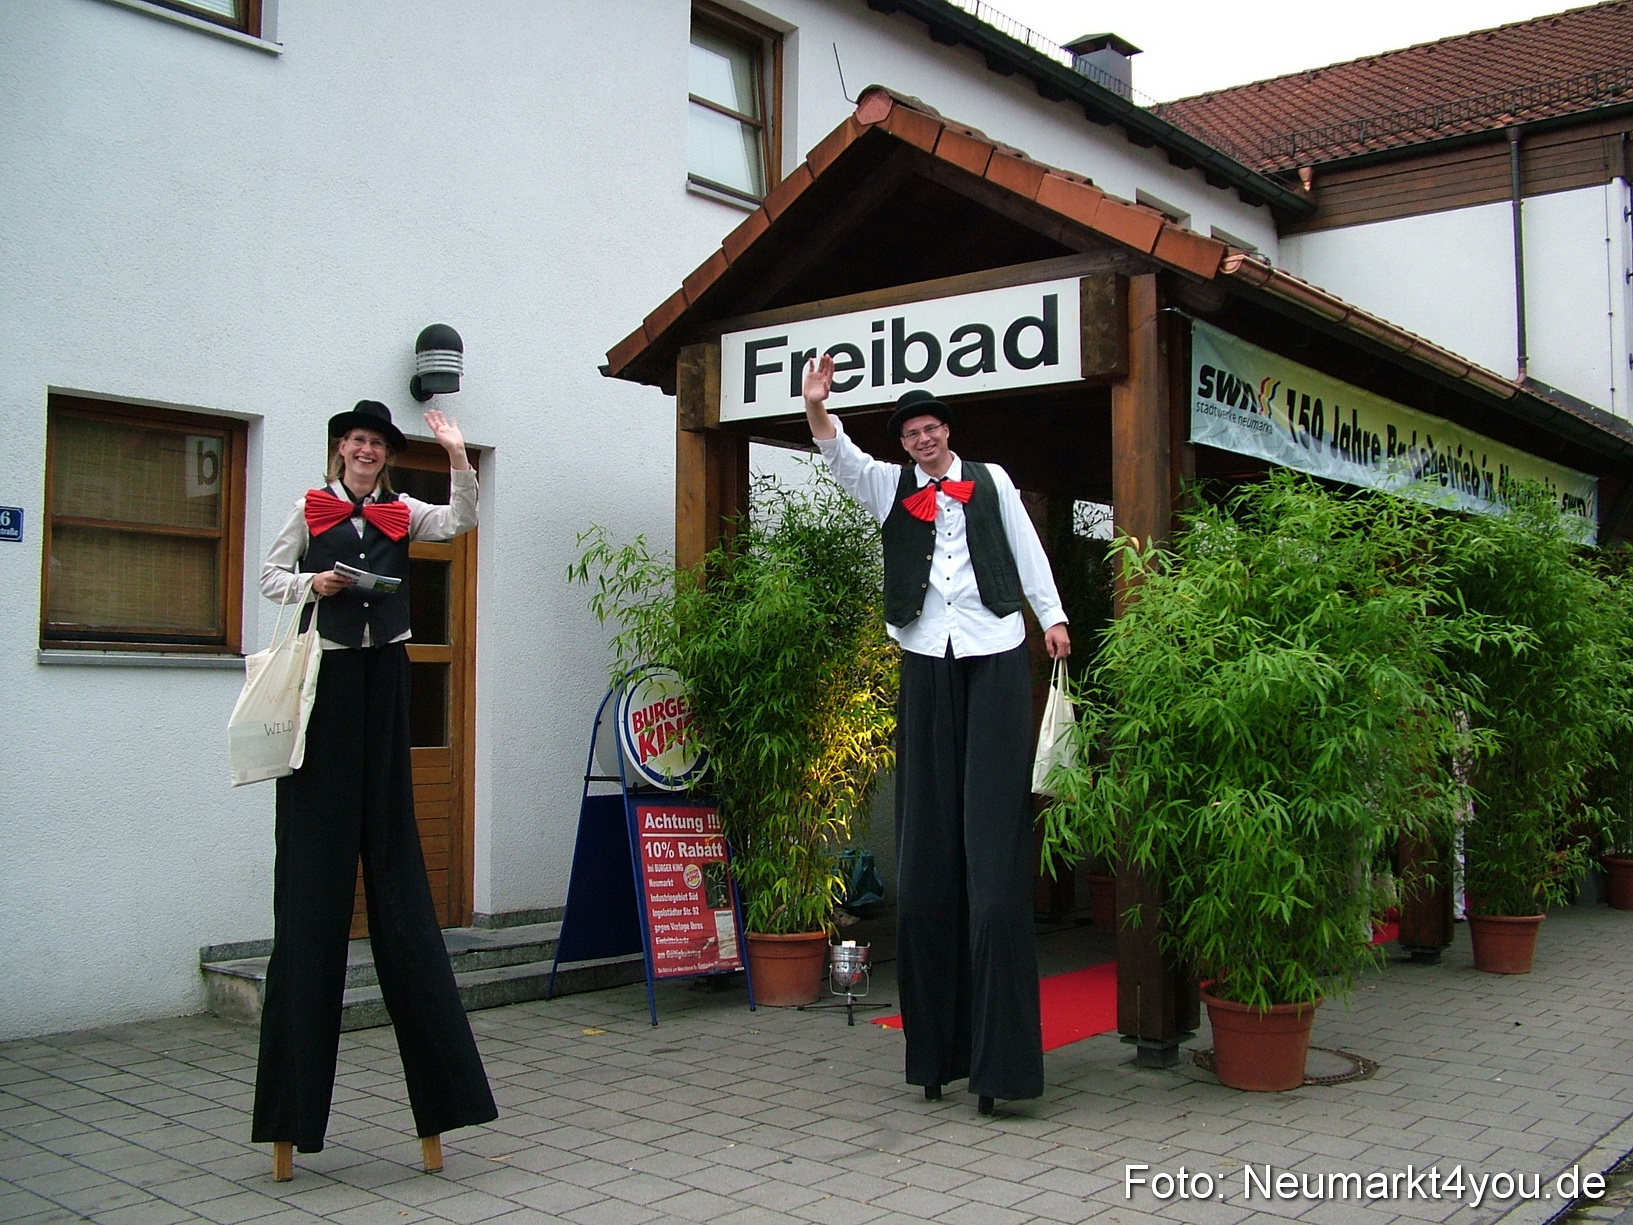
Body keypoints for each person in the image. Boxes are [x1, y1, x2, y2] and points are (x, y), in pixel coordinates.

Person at [802, 357, 1070, 1116]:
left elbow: (1025, 550)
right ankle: (935, 1054)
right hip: (924, 655)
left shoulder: (990, 478)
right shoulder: (888, 486)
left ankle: (1000, 1062)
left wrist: (1050, 616)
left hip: (990, 651)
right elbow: (838, 454)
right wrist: (817, 407)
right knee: (925, 856)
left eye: (930, 428)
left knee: (992, 855)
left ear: (946, 430)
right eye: (910, 432)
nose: (921, 439)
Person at [254, 399, 496, 1179]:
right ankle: (291, 1119)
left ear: (386, 456)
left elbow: (461, 518)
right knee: (311, 894)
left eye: (375, 444)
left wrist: (458, 453)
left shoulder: (403, 510)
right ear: (341, 449)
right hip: (325, 687)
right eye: (355, 441)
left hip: (385, 680)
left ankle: (445, 1103)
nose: (364, 451)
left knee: (398, 882)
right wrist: (314, 583)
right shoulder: (307, 507)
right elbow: (267, 578)